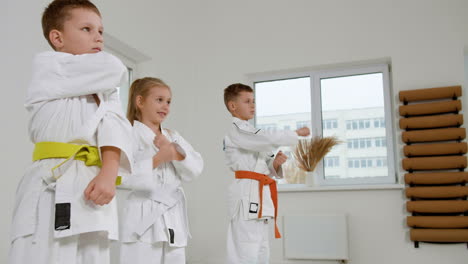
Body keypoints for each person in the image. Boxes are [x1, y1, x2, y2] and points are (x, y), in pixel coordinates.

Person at [9, 1, 133, 263]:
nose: (98, 37)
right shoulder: (50, 66)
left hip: (92, 184)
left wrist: (109, 174)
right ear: (57, 38)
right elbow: (115, 68)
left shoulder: (105, 92)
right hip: (52, 181)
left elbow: (117, 128)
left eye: (100, 31)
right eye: (87, 29)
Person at [119, 77, 203, 264]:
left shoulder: (173, 136)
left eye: (168, 101)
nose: (165, 106)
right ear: (140, 101)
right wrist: (158, 159)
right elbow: (121, 176)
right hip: (142, 216)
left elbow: (195, 168)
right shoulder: (127, 134)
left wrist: (174, 152)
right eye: (159, 100)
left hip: (173, 216)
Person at [223, 83, 310, 264]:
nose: (253, 105)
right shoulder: (237, 130)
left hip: (260, 195)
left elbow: (266, 162)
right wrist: (294, 133)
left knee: (262, 251)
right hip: (246, 196)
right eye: (247, 101)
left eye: (254, 101)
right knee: (246, 251)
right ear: (233, 106)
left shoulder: (252, 133)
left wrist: (275, 164)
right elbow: (267, 139)